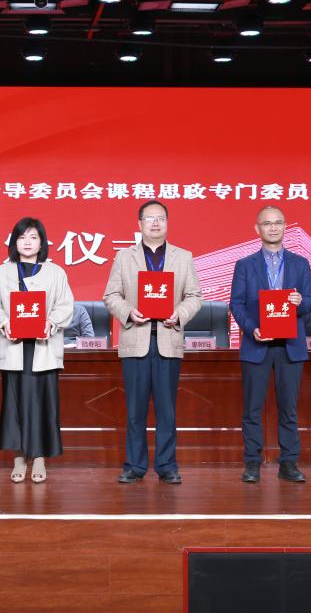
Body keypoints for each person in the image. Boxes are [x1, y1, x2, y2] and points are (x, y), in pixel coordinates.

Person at [103, 200, 203, 484]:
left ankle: (167, 465)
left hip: (168, 340)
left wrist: (179, 313)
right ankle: (134, 466)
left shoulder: (183, 257)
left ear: (167, 223)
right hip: (136, 340)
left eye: (161, 218)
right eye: (150, 218)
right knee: (135, 411)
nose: (155, 223)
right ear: (139, 224)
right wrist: (128, 312)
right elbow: (111, 295)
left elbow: (194, 296)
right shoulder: (124, 257)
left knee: (166, 411)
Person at [229, 206, 311, 483]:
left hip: (290, 345)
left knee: (289, 409)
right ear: (257, 229)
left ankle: (288, 463)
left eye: (278, 222)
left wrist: (300, 302)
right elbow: (236, 304)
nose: (273, 227)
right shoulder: (244, 265)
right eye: (267, 223)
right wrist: (252, 329)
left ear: (285, 226)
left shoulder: (300, 263)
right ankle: (252, 462)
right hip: (257, 343)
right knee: (252, 408)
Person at [0, 217, 74, 483]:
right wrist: (4, 322)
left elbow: (65, 305)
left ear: (42, 243)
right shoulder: (1, 273)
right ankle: (19, 458)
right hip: (14, 347)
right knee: (15, 405)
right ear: (14, 242)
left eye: (33, 237)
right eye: (22, 237)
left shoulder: (55, 272)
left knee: (42, 404)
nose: (27, 242)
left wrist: (51, 322)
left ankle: (40, 458)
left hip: (43, 348)